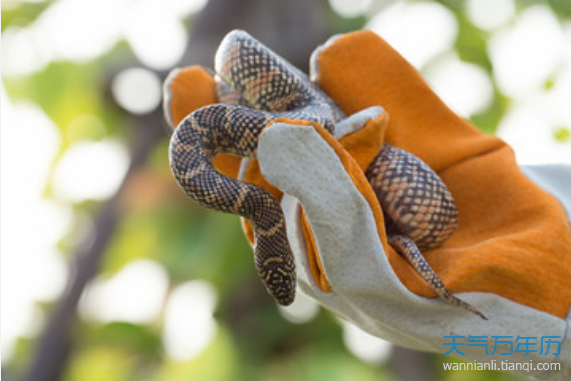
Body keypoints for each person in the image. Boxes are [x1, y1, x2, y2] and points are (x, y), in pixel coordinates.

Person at [164, 30, 571, 380]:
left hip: (399, 178)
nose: (288, 288)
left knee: (318, 121)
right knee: (315, 124)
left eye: (284, 277)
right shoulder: (255, 195)